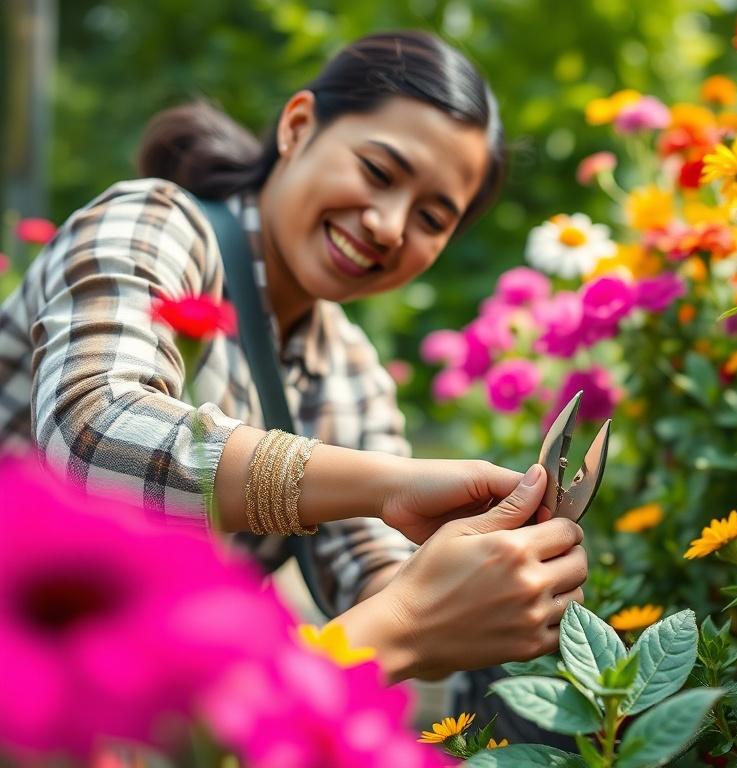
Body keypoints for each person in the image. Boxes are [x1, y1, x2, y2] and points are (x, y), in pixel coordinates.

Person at [0, 30, 587, 685]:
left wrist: (491, 569)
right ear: (299, 126)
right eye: (379, 172)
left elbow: (377, 579)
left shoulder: (352, 376)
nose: (390, 225)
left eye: (431, 218)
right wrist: (389, 487)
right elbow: (90, 434)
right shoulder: (151, 222)